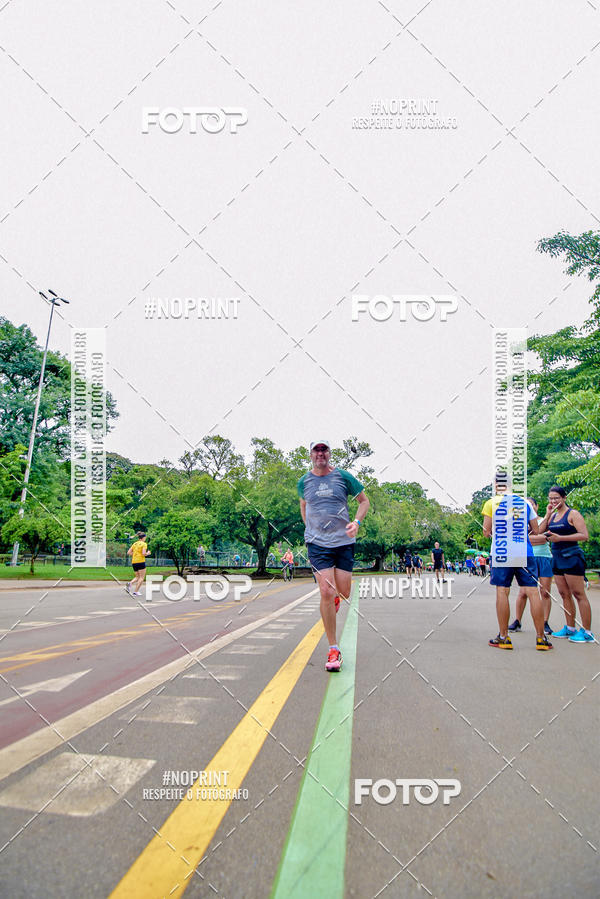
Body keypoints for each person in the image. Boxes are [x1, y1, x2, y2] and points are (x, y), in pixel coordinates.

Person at [298, 439, 370, 672]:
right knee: (326, 591)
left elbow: (364, 501)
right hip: (317, 543)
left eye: (324, 449)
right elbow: (303, 506)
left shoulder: (343, 477)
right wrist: (310, 529)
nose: (320, 453)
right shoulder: (304, 482)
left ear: (329, 454)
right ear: (310, 455)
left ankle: (337, 599)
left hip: (343, 542)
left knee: (344, 592)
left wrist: (356, 522)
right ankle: (333, 648)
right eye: (316, 450)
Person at [482, 473, 552, 651]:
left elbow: (485, 531)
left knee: (502, 591)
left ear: (496, 485)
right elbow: (535, 530)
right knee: (532, 592)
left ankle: (504, 637)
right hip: (524, 551)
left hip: (501, 551)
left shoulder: (492, 503)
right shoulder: (526, 504)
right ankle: (540, 638)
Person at [538, 486, 594, 643]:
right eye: (550, 498)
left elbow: (584, 535)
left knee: (578, 594)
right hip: (556, 558)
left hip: (572, 557)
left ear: (564, 498)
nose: (553, 501)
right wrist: (548, 513)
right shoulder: (553, 516)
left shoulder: (573, 514)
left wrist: (560, 538)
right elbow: (540, 531)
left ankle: (587, 632)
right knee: (564, 594)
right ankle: (570, 628)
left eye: (556, 498)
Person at [509, 498, 553, 635]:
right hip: (527, 558)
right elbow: (538, 537)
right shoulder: (519, 523)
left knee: (544, 592)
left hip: (544, 557)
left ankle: (545, 622)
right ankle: (517, 621)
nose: (529, 507)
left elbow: (547, 537)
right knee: (523, 592)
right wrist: (540, 537)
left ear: (536, 506)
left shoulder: (544, 520)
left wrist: (539, 536)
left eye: (531, 504)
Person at [127, 531, 150, 596]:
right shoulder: (144, 544)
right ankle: (136, 592)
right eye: (145, 537)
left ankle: (130, 584)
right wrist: (148, 553)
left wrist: (135, 555)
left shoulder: (135, 544)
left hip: (134, 562)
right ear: (143, 538)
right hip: (141, 561)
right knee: (142, 577)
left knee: (137, 577)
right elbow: (143, 554)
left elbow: (128, 552)